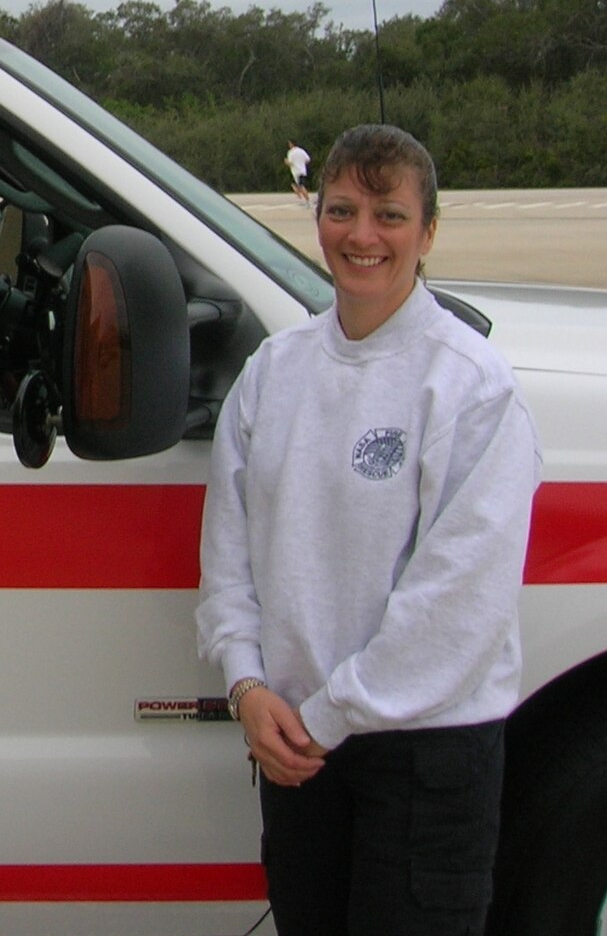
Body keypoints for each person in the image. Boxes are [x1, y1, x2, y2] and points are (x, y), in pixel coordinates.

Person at [197, 124, 541, 935]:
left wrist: (323, 717)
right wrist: (247, 687)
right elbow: (228, 560)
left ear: (427, 233)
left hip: (424, 753)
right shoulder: (272, 374)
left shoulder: (471, 386)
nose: (362, 235)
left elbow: (456, 608)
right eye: (342, 209)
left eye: (389, 214)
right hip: (292, 749)